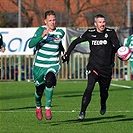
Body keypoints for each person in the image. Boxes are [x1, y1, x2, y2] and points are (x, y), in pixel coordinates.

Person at [62, 14, 121, 120]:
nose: (102, 24)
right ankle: (82, 113)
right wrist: (67, 54)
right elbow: (75, 42)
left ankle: (103, 103)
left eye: (103, 22)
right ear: (95, 24)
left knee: (104, 93)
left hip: (106, 69)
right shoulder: (90, 33)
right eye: (100, 22)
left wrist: (122, 55)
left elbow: (117, 47)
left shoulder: (110, 33)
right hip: (93, 67)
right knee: (89, 88)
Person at [29, 10, 65, 121]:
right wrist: (42, 36)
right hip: (39, 66)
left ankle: (48, 108)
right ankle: (38, 105)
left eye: (54, 20)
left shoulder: (60, 32)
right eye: (50, 20)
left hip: (53, 64)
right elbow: (31, 44)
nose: (52, 22)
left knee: (50, 81)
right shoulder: (40, 30)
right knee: (39, 91)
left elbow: (58, 43)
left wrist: (63, 51)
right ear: (45, 21)